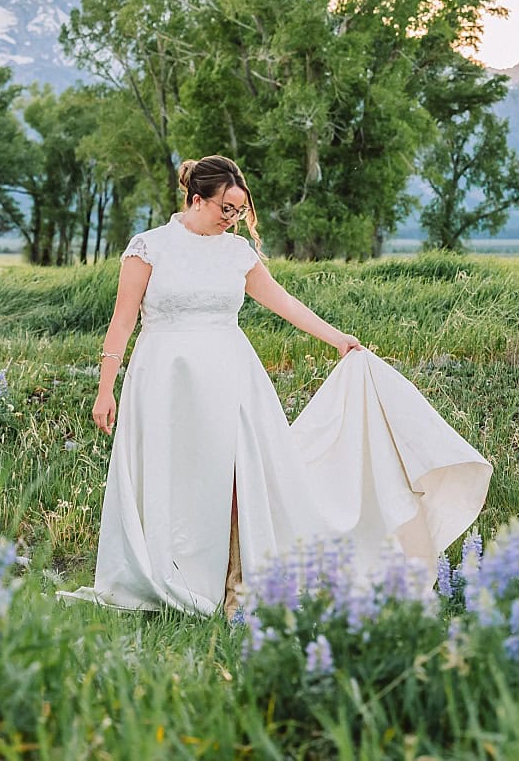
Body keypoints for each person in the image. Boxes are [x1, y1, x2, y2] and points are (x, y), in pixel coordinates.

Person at [58, 155, 490, 618]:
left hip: (231, 377)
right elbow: (122, 322)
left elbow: (283, 302)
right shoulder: (149, 248)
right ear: (196, 198)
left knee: (235, 478)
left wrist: (337, 337)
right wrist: (106, 389)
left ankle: (234, 584)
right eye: (226, 208)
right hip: (163, 379)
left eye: (239, 211)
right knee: (173, 475)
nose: (233, 219)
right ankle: (172, 575)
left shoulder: (237, 254)